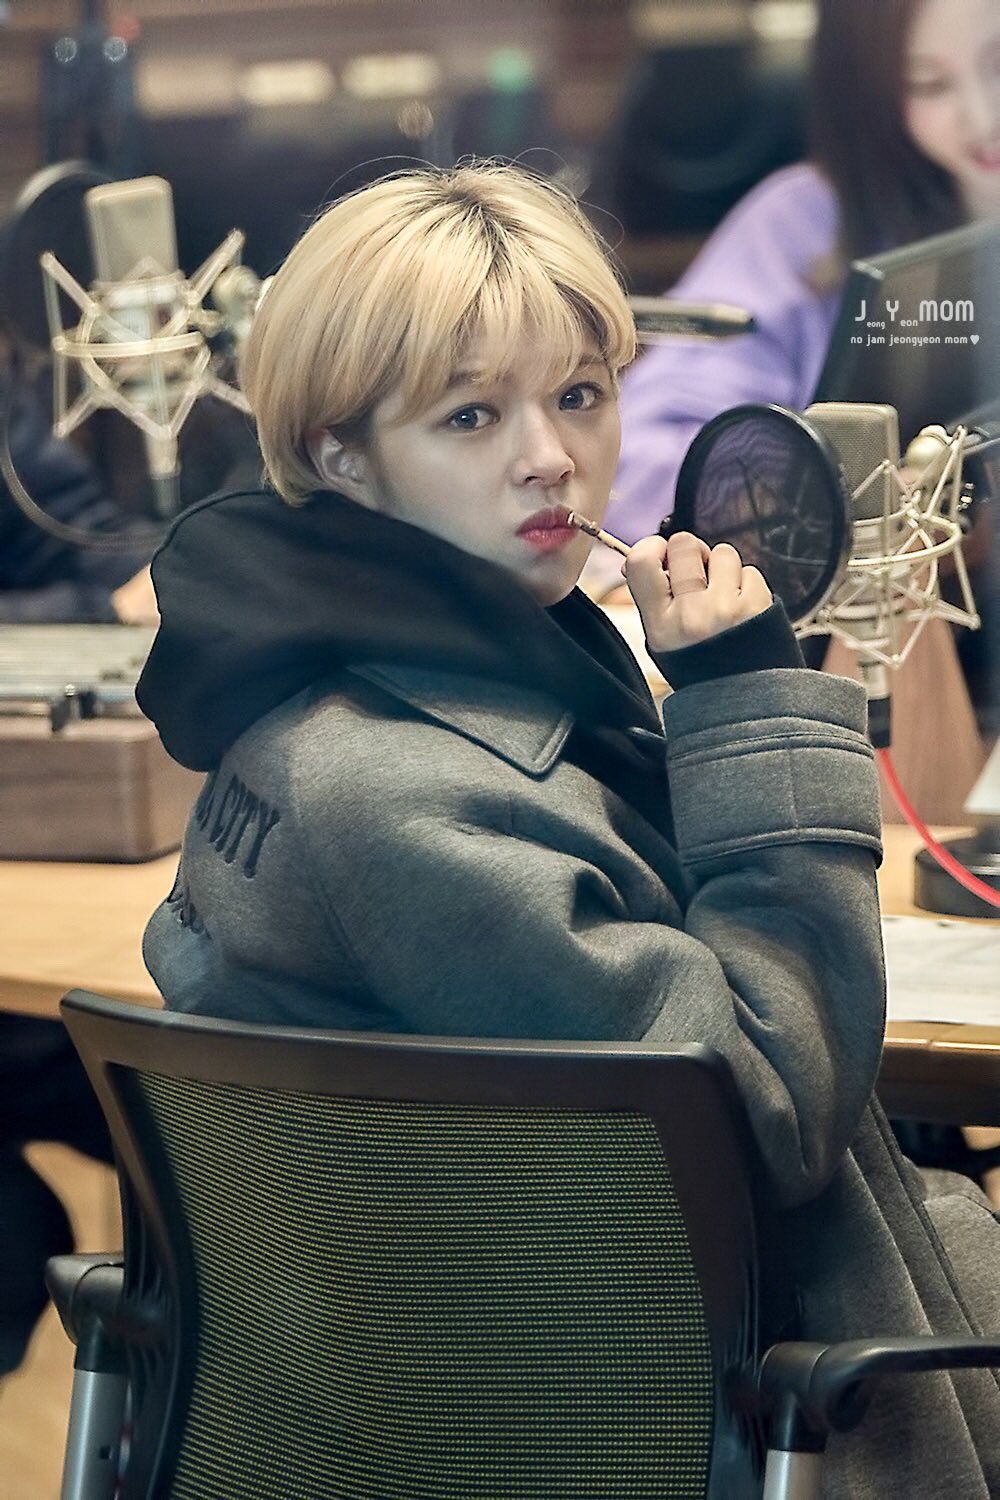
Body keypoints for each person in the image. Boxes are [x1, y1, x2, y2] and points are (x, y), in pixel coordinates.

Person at [136, 162, 1000, 1497]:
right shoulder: (399, 799)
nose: (550, 455)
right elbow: (777, 1108)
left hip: (487, 1378)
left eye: (580, 395)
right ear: (341, 453)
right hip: (633, 1418)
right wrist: (750, 699)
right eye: (471, 414)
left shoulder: (379, 685)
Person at [601, 0, 1000, 553]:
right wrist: (822, 501)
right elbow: (638, 455)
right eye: (928, 85)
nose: (984, 118)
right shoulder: (804, 226)